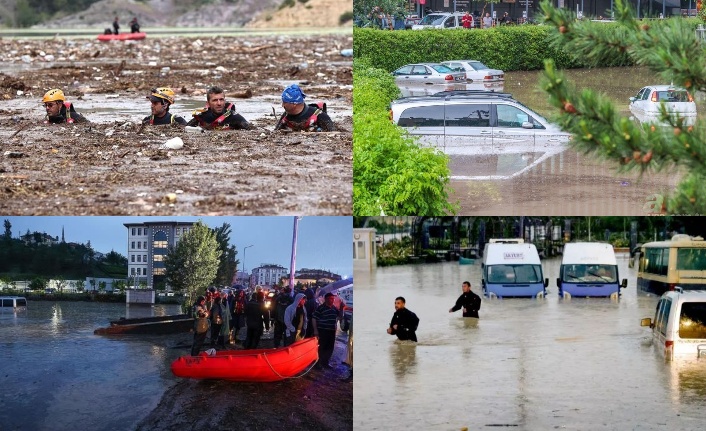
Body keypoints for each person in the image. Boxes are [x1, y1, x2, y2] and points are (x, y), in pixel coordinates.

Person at [186, 86, 252, 130]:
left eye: (221, 99)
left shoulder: (234, 117)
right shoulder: (202, 117)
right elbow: (185, 129)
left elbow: (252, 129)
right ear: (208, 103)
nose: (219, 103)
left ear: (224, 101)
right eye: (215, 100)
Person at [312, 293, 341, 369]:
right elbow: (314, 318)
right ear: (326, 299)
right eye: (330, 298)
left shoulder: (334, 308)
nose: (332, 300)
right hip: (323, 331)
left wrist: (342, 308)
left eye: (333, 298)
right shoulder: (321, 308)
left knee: (329, 348)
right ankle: (318, 364)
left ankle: (325, 362)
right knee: (321, 348)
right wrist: (315, 330)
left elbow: (340, 317)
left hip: (331, 331)